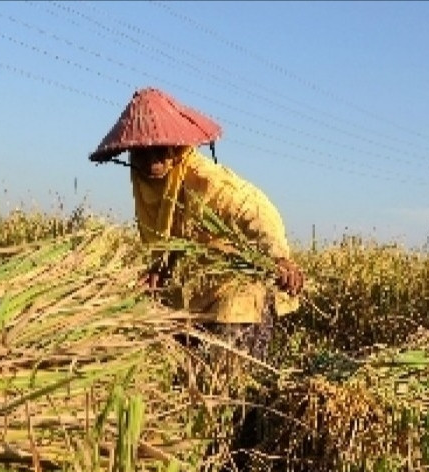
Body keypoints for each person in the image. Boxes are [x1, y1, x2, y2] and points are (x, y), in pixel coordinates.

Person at [88, 87, 304, 367]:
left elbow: (257, 210)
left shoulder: (205, 180)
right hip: (191, 300)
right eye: (141, 151)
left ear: (175, 146)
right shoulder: (145, 186)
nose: (151, 160)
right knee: (179, 380)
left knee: (228, 389)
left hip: (235, 299)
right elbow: (170, 243)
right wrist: (157, 272)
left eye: (159, 149)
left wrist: (279, 257)